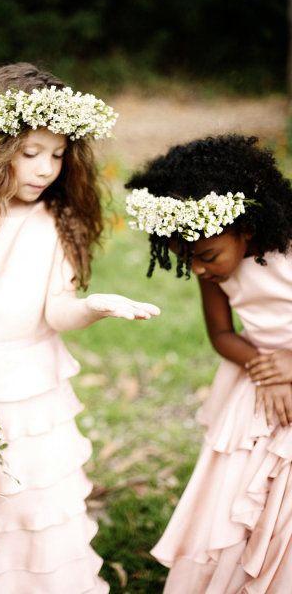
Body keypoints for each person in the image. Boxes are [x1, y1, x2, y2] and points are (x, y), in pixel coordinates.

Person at [0, 62, 159, 594]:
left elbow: (56, 312)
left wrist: (93, 306)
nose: (46, 169)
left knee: (33, 511)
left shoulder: (54, 223)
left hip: (32, 397)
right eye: (30, 153)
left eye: (58, 154)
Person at [125, 134, 292, 593]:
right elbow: (221, 335)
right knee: (236, 499)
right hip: (258, 382)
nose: (198, 269)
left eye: (206, 257)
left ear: (247, 228)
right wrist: (267, 371)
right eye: (185, 259)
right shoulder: (212, 268)